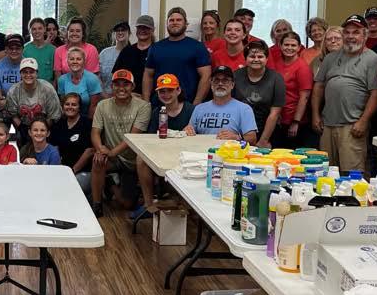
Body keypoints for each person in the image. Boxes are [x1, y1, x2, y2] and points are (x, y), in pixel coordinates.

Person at [311, 14, 377, 174]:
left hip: (352, 125)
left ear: (365, 35)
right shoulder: (330, 58)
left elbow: (376, 94)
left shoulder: (372, 59)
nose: (350, 36)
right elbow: (319, 86)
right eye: (347, 32)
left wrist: (363, 121)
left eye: (356, 32)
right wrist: (315, 115)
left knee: (352, 174)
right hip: (327, 125)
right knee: (326, 172)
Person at [90, 69, 150, 216]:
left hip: (132, 160)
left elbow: (133, 137)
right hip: (112, 157)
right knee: (98, 160)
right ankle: (97, 204)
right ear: (112, 86)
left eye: (126, 84)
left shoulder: (143, 106)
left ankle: (110, 184)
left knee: (127, 205)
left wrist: (111, 152)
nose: (121, 88)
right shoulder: (102, 105)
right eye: (117, 84)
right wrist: (100, 149)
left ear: (133, 86)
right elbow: (95, 132)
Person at [138, 74, 195, 212]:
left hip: (185, 155)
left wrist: (191, 131)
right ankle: (149, 204)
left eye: (170, 90)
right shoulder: (157, 112)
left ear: (178, 90)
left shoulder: (190, 109)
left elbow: (197, 134)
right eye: (162, 91)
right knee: (141, 159)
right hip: (162, 152)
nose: (166, 94)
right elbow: (151, 137)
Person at [143, 8, 211, 105]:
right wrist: (146, 103)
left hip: (187, 105)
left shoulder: (197, 47)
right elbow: (148, 76)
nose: (175, 23)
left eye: (179, 20)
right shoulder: (156, 48)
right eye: (171, 20)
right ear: (167, 24)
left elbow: (206, 76)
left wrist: (196, 105)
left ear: (186, 24)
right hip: (158, 105)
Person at [233, 41, 285, 148]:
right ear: (245, 59)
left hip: (268, 132)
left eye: (260, 56)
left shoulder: (276, 78)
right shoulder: (235, 76)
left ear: (266, 59)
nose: (256, 59)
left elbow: (274, 114)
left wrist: (263, 141)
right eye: (252, 56)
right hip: (240, 131)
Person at [185, 66, 258, 143]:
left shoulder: (244, 109)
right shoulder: (199, 108)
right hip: (203, 152)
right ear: (211, 84)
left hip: (230, 153)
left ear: (232, 85)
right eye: (216, 80)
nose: (220, 83)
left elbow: (252, 139)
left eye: (225, 80)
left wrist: (237, 137)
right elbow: (189, 133)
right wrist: (187, 131)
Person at [272, 32, 312, 149]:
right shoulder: (277, 63)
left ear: (299, 47)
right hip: (278, 118)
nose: (289, 48)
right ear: (280, 45)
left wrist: (296, 122)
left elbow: (304, 97)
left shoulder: (302, 67)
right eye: (286, 45)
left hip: (294, 121)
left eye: (293, 45)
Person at [51, 93, 94, 195]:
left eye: (74, 105)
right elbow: (55, 149)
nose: (70, 107)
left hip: (83, 171)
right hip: (63, 170)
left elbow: (89, 151)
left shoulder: (87, 124)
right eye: (67, 104)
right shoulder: (58, 124)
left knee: (70, 189)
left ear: (79, 107)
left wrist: (72, 171)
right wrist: (61, 170)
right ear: (63, 106)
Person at [5, 58, 62, 128]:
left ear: (37, 73)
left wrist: (41, 131)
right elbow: (13, 115)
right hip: (22, 127)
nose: (28, 75)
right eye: (25, 72)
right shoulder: (13, 91)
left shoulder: (48, 89)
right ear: (20, 74)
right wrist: (22, 129)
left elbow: (53, 115)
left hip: (45, 127)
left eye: (31, 72)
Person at [57, 46, 103, 116]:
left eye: (78, 59)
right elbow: (63, 105)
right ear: (67, 61)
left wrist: (87, 124)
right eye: (72, 59)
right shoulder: (62, 80)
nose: (75, 62)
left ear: (84, 61)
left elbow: (93, 107)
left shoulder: (92, 79)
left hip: (87, 118)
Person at [113, 15, 155, 89]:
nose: (142, 30)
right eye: (140, 27)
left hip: (152, 97)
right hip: (128, 96)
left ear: (152, 30)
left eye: (146, 28)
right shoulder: (127, 51)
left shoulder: (157, 50)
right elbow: (116, 75)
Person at [99, 21, 130, 95]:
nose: (120, 32)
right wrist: (104, 94)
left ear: (129, 33)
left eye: (123, 30)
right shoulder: (104, 53)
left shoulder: (133, 52)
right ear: (113, 34)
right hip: (106, 95)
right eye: (117, 31)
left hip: (127, 96)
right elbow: (98, 76)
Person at [0, 33, 25, 101]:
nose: (14, 51)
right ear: (6, 49)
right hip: (5, 103)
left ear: (22, 49)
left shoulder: (28, 65)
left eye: (17, 48)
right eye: (11, 48)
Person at [24, 18, 57, 85]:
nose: (37, 31)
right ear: (30, 31)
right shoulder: (25, 49)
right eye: (34, 29)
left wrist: (53, 89)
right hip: (29, 87)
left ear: (44, 29)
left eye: (40, 28)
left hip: (48, 88)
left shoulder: (53, 50)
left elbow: (56, 74)